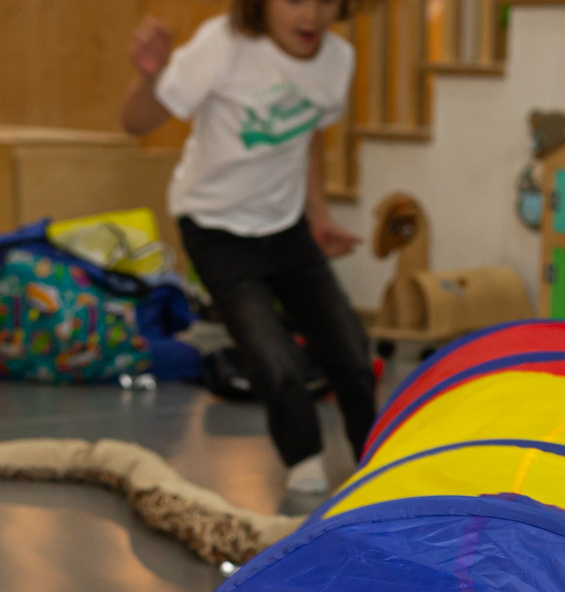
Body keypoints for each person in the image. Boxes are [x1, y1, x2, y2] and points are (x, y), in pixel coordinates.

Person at [120, 0, 374, 503]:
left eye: (326, 1)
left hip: (285, 227)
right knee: (275, 362)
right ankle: (304, 462)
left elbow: (309, 139)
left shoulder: (338, 59)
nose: (311, 16)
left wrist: (317, 216)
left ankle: (377, 457)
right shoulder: (223, 44)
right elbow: (136, 122)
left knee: (350, 351)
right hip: (215, 229)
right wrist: (149, 78)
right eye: (294, 0)